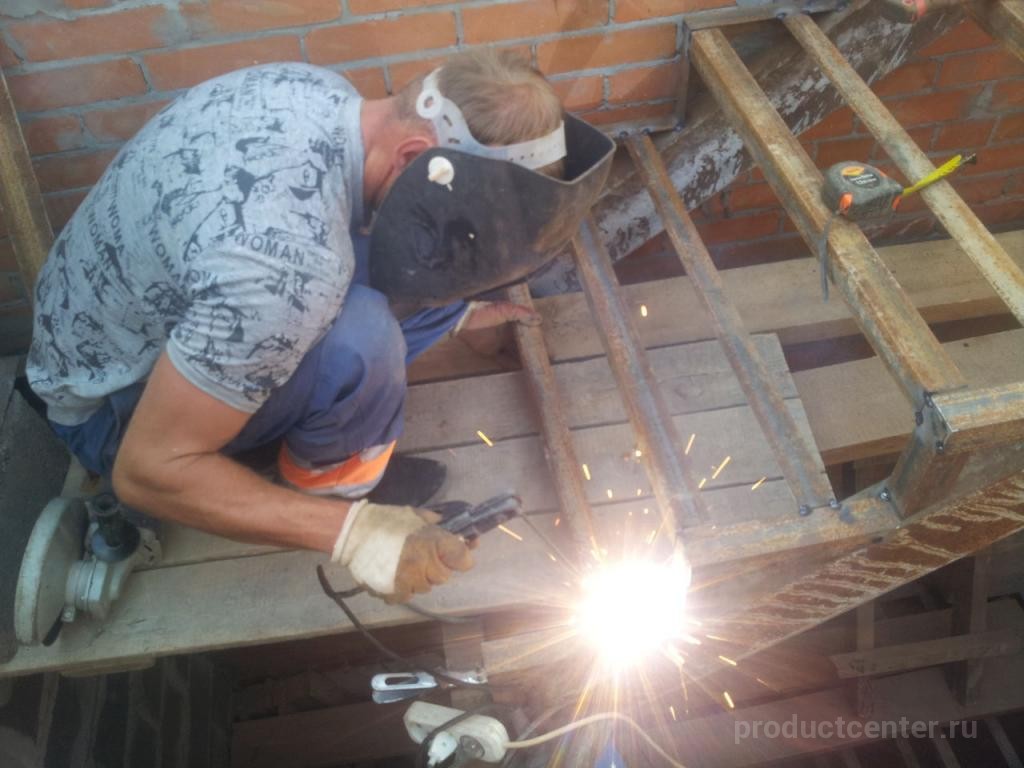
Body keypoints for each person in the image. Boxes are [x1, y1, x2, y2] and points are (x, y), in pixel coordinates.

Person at [26, 50, 613, 604]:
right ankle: (332, 486)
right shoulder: (286, 269)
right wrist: (354, 534)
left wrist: (454, 312)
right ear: (415, 156)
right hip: (115, 415)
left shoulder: (315, 90)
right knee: (364, 343)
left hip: (116, 331)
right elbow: (147, 472)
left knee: (398, 272)